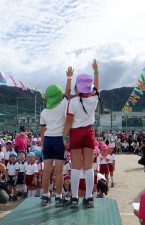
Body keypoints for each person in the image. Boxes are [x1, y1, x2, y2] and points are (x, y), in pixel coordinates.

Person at [63, 59, 103, 208]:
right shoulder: (93, 99)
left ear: (77, 88)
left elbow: (68, 121)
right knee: (88, 167)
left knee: (75, 167)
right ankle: (89, 197)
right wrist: (96, 70)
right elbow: (97, 87)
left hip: (76, 133)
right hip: (89, 132)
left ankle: (74, 198)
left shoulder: (72, 102)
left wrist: (64, 136)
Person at [40, 66, 72, 207]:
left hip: (47, 141)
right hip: (59, 141)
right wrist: (69, 77)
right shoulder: (62, 106)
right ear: (59, 96)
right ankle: (59, 197)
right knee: (59, 172)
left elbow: (42, 131)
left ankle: (45, 196)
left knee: (46, 171)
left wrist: (42, 145)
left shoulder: (43, 112)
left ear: (47, 96)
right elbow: (68, 92)